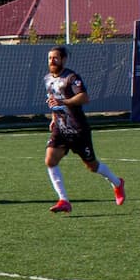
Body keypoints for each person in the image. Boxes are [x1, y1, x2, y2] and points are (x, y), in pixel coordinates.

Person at [40, 45, 124, 213]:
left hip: (78, 129)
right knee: (50, 160)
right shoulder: (47, 79)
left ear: (63, 59)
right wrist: (54, 118)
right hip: (60, 127)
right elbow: (53, 100)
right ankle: (64, 200)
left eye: (55, 58)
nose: (52, 61)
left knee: (92, 166)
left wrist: (64, 102)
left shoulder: (71, 78)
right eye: (50, 58)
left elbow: (84, 97)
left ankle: (117, 183)